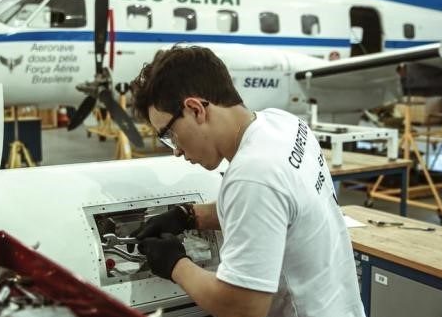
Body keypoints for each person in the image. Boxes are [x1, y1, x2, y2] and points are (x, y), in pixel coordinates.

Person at [129, 46, 365, 317]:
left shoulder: (252, 176)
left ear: (196, 110)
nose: (176, 150)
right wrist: (190, 216)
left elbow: (242, 308)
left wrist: (175, 264)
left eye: (169, 134)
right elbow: (276, 211)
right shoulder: (285, 125)